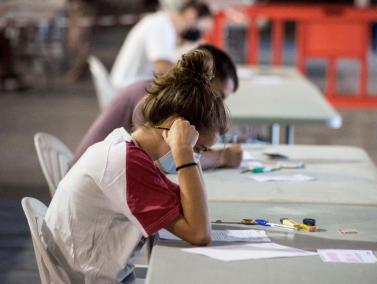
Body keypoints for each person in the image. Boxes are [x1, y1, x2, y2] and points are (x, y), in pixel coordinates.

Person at [42, 48, 227, 283]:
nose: (198, 157)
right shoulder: (128, 166)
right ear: (175, 128)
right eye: (198, 148)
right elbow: (200, 233)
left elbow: (188, 209)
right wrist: (183, 152)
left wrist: (187, 152)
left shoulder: (130, 151)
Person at [71, 44, 242, 170]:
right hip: (94, 174)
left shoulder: (162, 90)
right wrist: (222, 157)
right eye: (219, 96)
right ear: (204, 81)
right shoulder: (160, 101)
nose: (218, 104)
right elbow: (166, 162)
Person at [110, 0, 213, 90]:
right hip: (127, 90)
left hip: (130, 87)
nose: (200, 35)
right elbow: (162, 69)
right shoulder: (162, 25)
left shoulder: (163, 23)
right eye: (202, 31)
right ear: (192, 15)